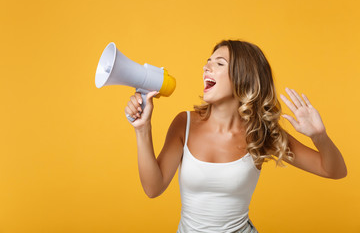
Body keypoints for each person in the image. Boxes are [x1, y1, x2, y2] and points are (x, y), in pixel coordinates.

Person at [124, 40, 347, 233]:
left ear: (244, 79)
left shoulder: (261, 134)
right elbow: (153, 188)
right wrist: (142, 129)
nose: (206, 67)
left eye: (219, 63)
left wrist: (319, 136)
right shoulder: (185, 123)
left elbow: (334, 171)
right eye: (208, 61)